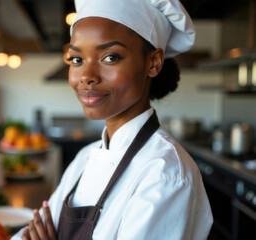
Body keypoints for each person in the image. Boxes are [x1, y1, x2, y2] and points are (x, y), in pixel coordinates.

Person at [14, 0, 213, 239]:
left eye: (110, 57)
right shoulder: (85, 158)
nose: (86, 77)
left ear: (153, 63)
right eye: (77, 60)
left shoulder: (164, 174)